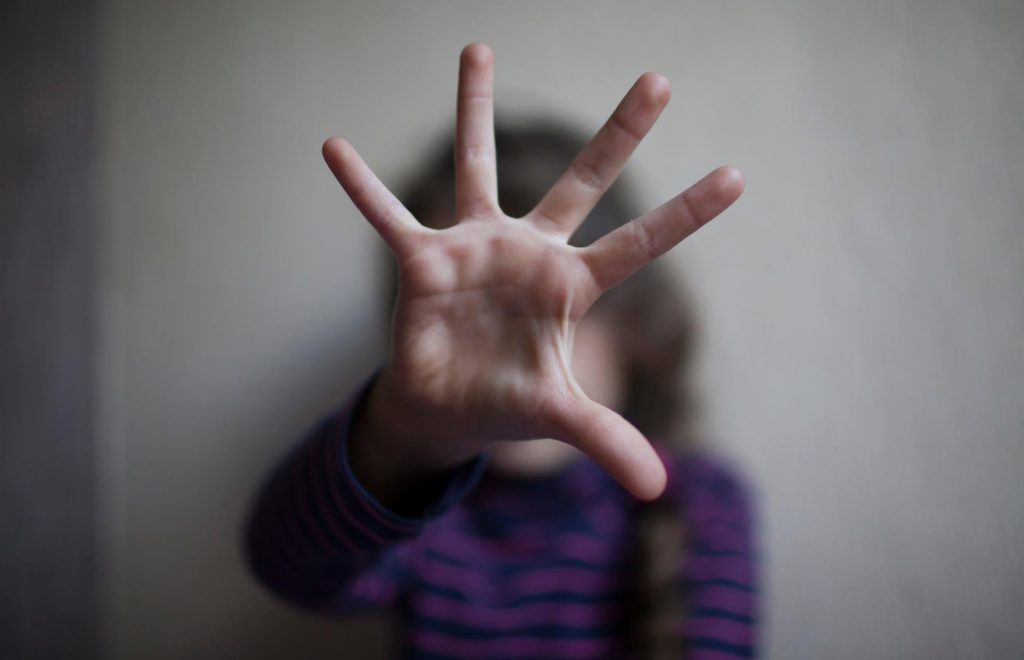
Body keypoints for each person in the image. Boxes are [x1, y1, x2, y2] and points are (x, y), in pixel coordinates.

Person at [243, 43, 757, 659]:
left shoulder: (701, 503)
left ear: (636, 325)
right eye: (477, 314)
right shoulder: (421, 515)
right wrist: (402, 429)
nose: (511, 355)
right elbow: (286, 566)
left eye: (547, 308)